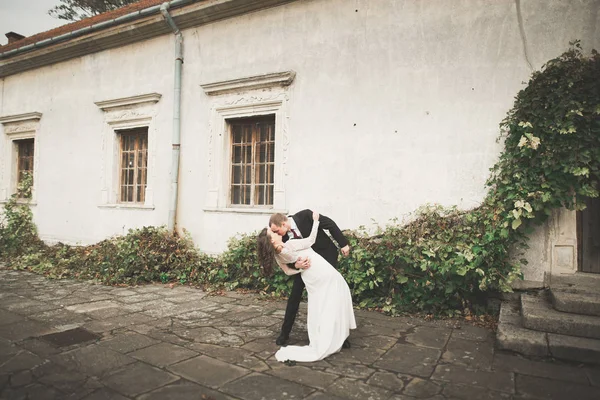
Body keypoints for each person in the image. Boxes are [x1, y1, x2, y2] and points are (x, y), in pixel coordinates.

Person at [257, 211, 356, 362]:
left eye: (277, 230)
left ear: (283, 224)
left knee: (330, 298)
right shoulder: (281, 238)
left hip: (324, 257)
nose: (278, 233)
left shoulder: (304, 216)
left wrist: (343, 244)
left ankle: (338, 336)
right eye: (275, 232)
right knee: (296, 297)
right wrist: (297, 266)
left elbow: (329, 224)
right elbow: (285, 256)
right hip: (305, 268)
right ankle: (285, 333)